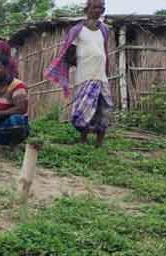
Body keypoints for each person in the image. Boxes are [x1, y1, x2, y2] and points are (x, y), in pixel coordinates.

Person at [45, 0, 112, 147]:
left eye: (101, 7)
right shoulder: (77, 30)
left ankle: (100, 142)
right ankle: (83, 139)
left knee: (104, 108)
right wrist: (83, 62)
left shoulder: (104, 30)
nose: (98, 10)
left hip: (101, 76)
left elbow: (105, 51)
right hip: (85, 75)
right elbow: (69, 53)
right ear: (87, 9)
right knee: (85, 109)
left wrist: (106, 68)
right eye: (95, 7)